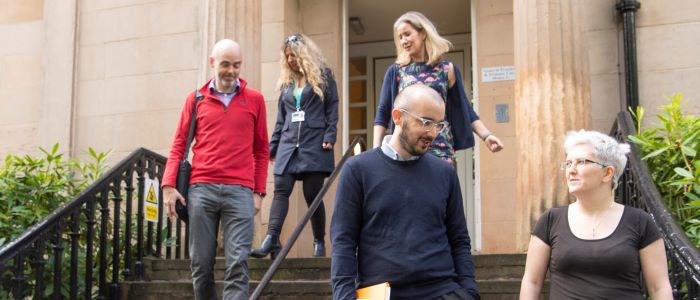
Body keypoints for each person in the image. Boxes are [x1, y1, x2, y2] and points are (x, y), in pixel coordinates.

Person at [331, 85, 480, 300]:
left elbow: (459, 240)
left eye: (439, 125)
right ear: (398, 116)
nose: (433, 133)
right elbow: (343, 241)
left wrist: (469, 292)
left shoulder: (445, 173)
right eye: (426, 122)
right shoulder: (357, 170)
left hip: (442, 292)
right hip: (380, 294)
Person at [161, 39, 269, 300]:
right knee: (200, 265)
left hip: (240, 192)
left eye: (236, 65)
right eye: (225, 65)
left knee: (238, 264)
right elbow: (178, 145)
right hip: (201, 190)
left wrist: (259, 193)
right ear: (212, 63)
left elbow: (261, 150)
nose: (231, 71)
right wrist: (168, 186)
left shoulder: (254, 100)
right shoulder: (196, 99)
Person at [519, 130, 673, 299]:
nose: (571, 170)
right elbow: (531, 282)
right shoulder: (550, 220)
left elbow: (659, 287)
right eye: (568, 163)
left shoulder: (639, 221)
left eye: (581, 162)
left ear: (607, 173)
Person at [373, 11, 503, 165]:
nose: (403, 41)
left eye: (407, 34)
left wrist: (486, 136)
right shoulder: (396, 71)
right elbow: (383, 111)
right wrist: (377, 150)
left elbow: (465, 109)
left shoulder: (447, 69)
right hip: (407, 152)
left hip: (441, 151)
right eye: (400, 37)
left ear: (423, 33)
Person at [251, 34, 338, 259]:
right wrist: (273, 146)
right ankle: (271, 238)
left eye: (294, 55)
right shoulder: (287, 84)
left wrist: (331, 134)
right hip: (289, 145)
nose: (290, 60)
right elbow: (282, 118)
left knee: (312, 194)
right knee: (281, 190)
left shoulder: (324, 77)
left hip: (314, 143)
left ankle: (319, 241)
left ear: (305, 54)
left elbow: (332, 108)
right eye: (287, 56)